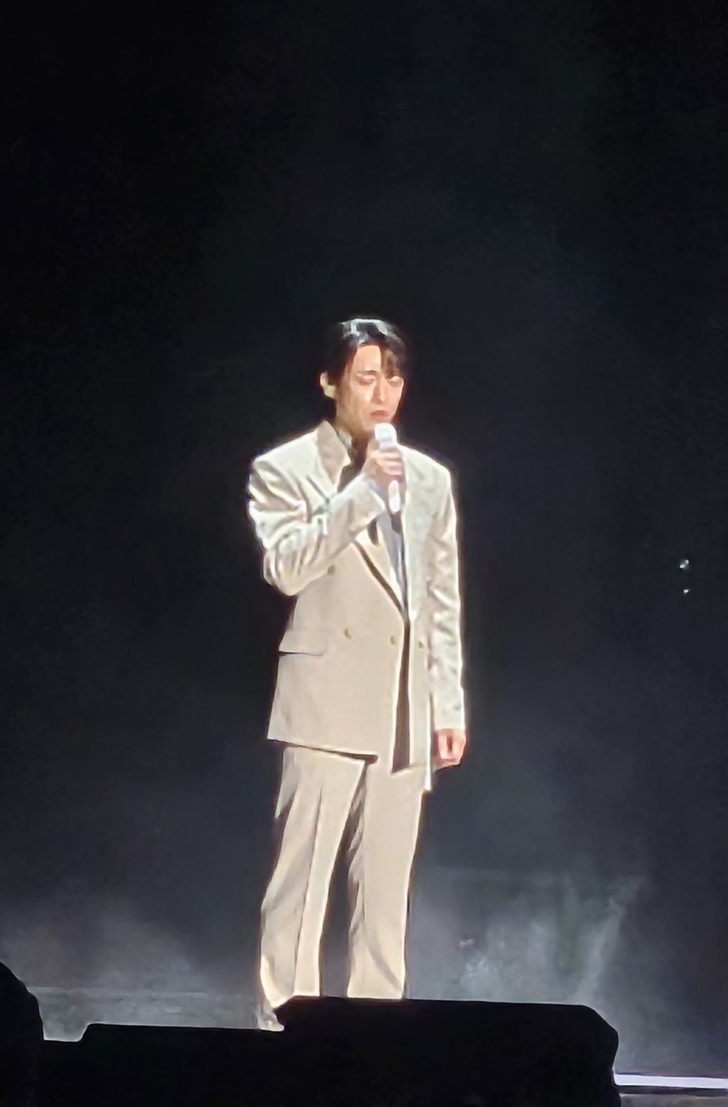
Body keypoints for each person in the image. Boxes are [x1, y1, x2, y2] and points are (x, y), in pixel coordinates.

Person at [247, 317, 467, 1030]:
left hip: (403, 709)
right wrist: (361, 494)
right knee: (301, 888)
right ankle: (284, 1037)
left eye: (393, 379)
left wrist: (447, 704)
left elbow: (440, 597)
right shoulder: (284, 468)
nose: (382, 394)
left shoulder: (429, 479)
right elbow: (286, 567)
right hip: (325, 700)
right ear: (330, 382)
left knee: (384, 899)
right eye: (366, 378)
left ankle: (377, 1046)